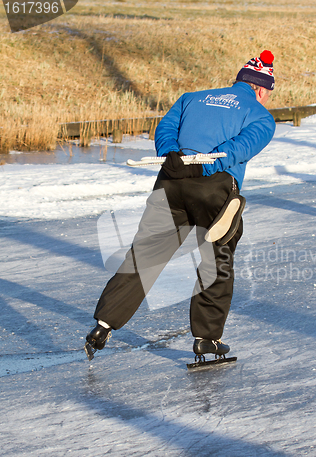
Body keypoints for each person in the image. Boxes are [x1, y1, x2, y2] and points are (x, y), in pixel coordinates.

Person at [84, 50, 277, 361]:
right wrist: (203, 168)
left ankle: (103, 324)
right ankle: (207, 339)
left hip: (170, 182)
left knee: (145, 253)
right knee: (217, 260)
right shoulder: (260, 115)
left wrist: (172, 155)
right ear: (260, 88)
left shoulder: (191, 98)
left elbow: (165, 130)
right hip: (214, 189)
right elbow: (240, 148)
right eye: (269, 92)